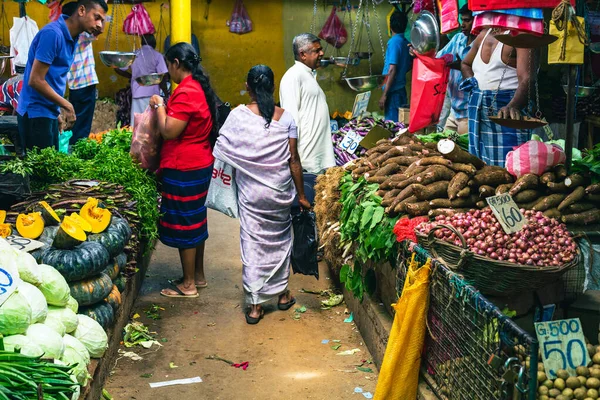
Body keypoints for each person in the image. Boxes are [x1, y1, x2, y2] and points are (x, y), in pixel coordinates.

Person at [214, 65, 310, 324]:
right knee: (280, 244)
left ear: (248, 87)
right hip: (279, 193)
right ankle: (282, 295)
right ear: (272, 86)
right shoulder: (287, 118)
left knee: (253, 245)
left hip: (252, 195)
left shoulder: (237, 116)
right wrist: (301, 195)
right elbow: (294, 162)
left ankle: (255, 306)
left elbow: (222, 148)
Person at [148, 42, 218, 299]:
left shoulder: (187, 91)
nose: (169, 70)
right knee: (196, 219)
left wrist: (158, 105)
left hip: (184, 166)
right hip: (198, 162)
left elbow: (169, 130)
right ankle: (197, 276)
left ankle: (188, 285)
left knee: (185, 223)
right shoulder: (198, 87)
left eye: (168, 65)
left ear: (176, 63)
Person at [16, 0, 107, 151]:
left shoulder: (73, 38)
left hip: (48, 112)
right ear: (82, 10)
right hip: (35, 113)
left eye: (102, 21)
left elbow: (52, 78)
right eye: (96, 17)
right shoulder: (53, 34)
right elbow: (36, 80)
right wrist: (67, 105)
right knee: (41, 172)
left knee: (51, 169)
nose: (99, 25)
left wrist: (56, 110)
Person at [461, 28, 533, 166]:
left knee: (511, 165)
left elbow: (528, 79)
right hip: (478, 106)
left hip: (506, 105)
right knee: (478, 164)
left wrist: (513, 106)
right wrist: (471, 81)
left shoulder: (522, 35)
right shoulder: (483, 35)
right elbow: (465, 64)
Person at [279, 33, 335, 174]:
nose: (322, 53)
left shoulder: (308, 75)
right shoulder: (293, 77)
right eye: (317, 51)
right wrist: (294, 160)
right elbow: (290, 121)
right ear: (303, 54)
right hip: (306, 160)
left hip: (316, 158)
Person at [62, 1, 100, 144]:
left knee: (77, 122)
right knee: (82, 126)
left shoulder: (67, 33)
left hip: (74, 84)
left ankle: (74, 148)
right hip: (84, 84)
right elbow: (97, 29)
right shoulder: (82, 35)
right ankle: (77, 150)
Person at [436, 5, 476, 134]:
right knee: (443, 146)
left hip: (469, 112)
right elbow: (438, 58)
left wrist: (460, 66)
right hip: (454, 111)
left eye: (467, 20)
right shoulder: (458, 39)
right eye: (462, 20)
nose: (463, 24)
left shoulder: (482, 45)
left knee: (465, 152)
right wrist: (420, 51)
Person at [117, 34, 168, 127]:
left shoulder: (134, 55)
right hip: (153, 95)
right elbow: (163, 76)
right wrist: (165, 91)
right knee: (151, 124)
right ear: (154, 44)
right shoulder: (157, 56)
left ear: (142, 43)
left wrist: (131, 76)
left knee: (136, 124)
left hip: (137, 93)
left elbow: (118, 68)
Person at [379, 11, 412, 122]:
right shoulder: (406, 43)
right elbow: (409, 65)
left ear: (390, 26)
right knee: (401, 124)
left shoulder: (394, 42)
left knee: (393, 127)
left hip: (393, 93)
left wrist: (385, 94)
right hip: (401, 90)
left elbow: (392, 69)